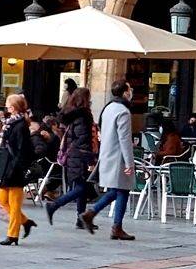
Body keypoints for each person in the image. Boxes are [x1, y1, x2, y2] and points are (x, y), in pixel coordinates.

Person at [79, 80, 136, 241]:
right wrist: (129, 163)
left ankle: (91, 214)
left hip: (107, 153)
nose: (131, 91)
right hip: (119, 157)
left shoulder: (108, 108)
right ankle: (116, 226)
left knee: (115, 190)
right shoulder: (123, 111)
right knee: (123, 190)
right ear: (125, 92)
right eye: (129, 88)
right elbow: (124, 139)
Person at [46, 87, 97, 230]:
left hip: (73, 155)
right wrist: (90, 158)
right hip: (79, 155)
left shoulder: (72, 115)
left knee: (82, 186)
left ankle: (81, 218)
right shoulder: (83, 116)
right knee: (83, 187)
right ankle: (55, 205)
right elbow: (82, 138)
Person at [0, 94, 36, 246]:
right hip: (8, 166)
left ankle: (12, 235)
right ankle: (25, 222)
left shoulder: (20, 126)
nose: (6, 106)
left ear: (13, 107)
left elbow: (22, 150)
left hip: (15, 169)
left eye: (7, 104)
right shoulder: (11, 123)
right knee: (1, 199)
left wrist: (16, 167)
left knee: (14, 204)